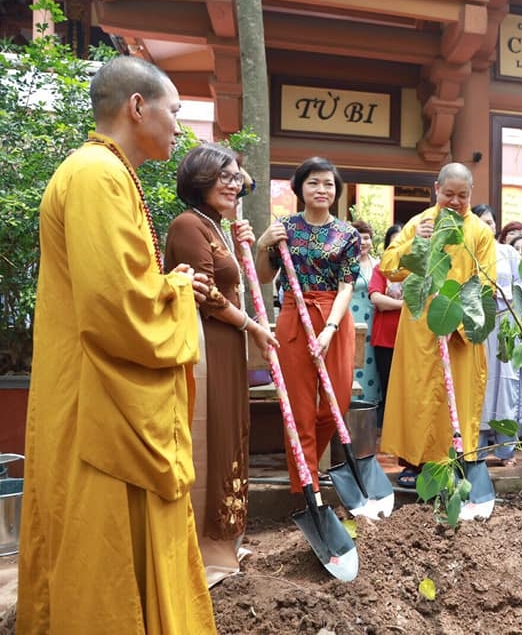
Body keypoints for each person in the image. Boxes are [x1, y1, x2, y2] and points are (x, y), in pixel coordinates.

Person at [17, 56, 217, 633]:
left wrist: (168, 287)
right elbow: (116, 307)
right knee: (100, 541)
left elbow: (121, 284)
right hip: (96, 400)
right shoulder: (95, 175)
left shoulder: (108, 174)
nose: (181, 127)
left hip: (97, 390)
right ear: (137, 107)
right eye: (175, 111)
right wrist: (177, 289)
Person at [164, 143, 277, 587]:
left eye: (237, 177)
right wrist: (252, 326)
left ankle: (226, 540)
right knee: (208, 434)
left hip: (229, 343)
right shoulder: (187, 225)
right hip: (206, 344)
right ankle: (201, 546)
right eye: (224, 176)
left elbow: (244, 281)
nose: (234, 184)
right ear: (200, 179)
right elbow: (207, 295)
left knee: (232, 431)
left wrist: (251, 243)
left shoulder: (217, 225)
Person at [379, 163, 496, 487]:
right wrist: (416, 242)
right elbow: (390, 267)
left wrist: (456, 317)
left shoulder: (480, 232)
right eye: (449, 194)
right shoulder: (420, 223)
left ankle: (455, 462)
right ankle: (414, 464)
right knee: (418, 395)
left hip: (459, 328)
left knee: (457, 396)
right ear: (436, 189)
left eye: (463, 195)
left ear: (471, 193)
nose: (456, 201)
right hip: (420, 329)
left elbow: (486, 282)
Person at [255, 156, 359, 497]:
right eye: (313, 182)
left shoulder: (348, 235)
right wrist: (262, 245)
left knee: (336, 404)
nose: (321, 189)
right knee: (298, 406)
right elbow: (264, 277)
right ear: (299, 187)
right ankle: (307, 487)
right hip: (294, 316)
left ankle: (308, 456)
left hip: (334, 317)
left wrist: (329, 328)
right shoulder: (285, 229)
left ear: (336, 191)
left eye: (328, 183)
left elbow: (347, 286)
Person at [473, 204, 522, 465]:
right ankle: (478, 451)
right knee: (480, 385)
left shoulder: (507, 253)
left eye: (490, 222)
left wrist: (505, 294)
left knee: (505, 385)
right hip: (478, 326)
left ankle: (505, 451)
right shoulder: (468, 252)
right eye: (481, 222)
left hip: (505, 324)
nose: (487, 227)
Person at [368, 223, 404, 429]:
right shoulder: (381, 267)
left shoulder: (418, 269)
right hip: (385, 337)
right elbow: (377, 299)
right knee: (388, 386)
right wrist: (405, 305)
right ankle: (389, 431)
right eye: (395, 241)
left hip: (411, 336)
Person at [350, 220, 381, 406]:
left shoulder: (378, 264)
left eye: (366, 238)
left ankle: (369, 407)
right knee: (351, 360)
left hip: (373, 321)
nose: (363, 242)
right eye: (358, 238)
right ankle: (349, 402)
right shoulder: (344, 262)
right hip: (350, 318)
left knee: (371, 364)